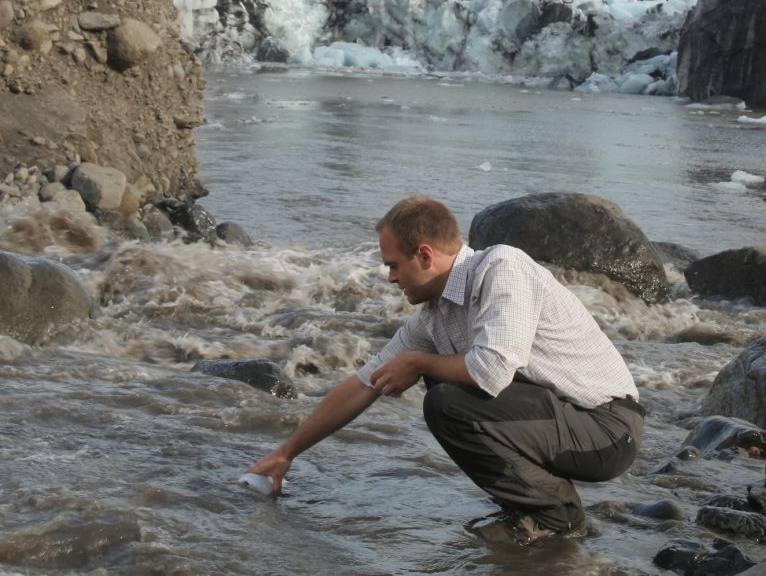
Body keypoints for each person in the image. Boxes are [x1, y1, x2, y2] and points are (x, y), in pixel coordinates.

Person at [245, 195, 645, 544]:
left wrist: (418, 362)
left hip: (608, 431)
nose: (391, 278)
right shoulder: (433, 317)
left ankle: (555, 518)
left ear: (424, 255)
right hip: (565, 421)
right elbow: (366, 383)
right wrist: (285, 454)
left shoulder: (502, 268)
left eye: (393, 266)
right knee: (444, 384)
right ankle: (533, 508)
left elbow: (492, 369)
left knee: (447, 399)